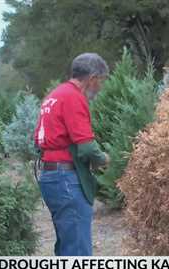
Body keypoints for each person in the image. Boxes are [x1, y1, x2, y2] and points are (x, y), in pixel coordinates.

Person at [34, 53, 110, 257]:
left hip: (51, 177)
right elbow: (86, 147)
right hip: (66, 179)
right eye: (101, 81)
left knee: (66, 245)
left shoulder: (54, 95)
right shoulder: (74, 97)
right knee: (77, 251)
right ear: (92, 78)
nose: (100, 87)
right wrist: (103, 159)